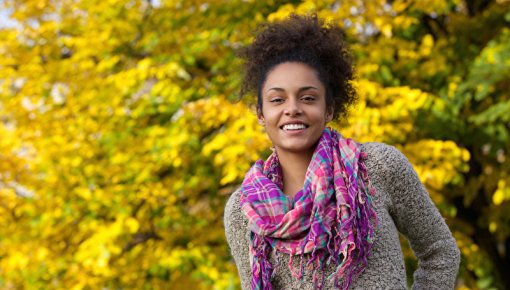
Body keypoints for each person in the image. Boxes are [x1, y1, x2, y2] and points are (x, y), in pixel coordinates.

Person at [224, 14, 460, 290]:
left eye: (308, 98)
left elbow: (440, 251)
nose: (292, 109)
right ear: (261, 113)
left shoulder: (378, 167)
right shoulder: (244, 210)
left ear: (330, 108)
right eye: (277, 100)